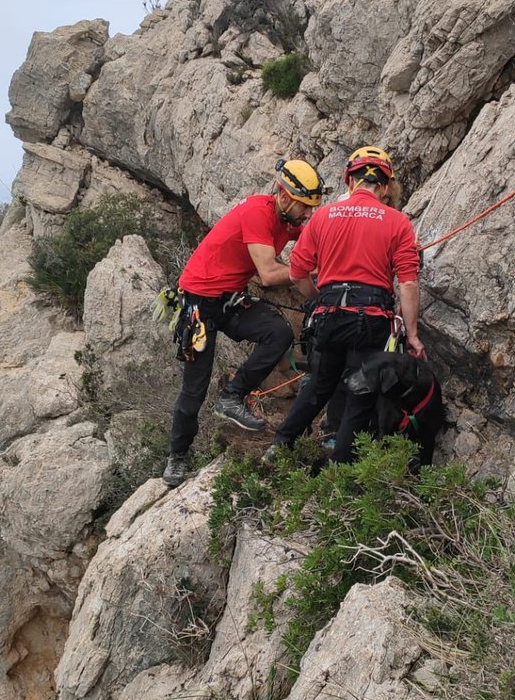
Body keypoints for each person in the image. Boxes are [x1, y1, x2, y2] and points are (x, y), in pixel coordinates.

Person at [161, 158, 325, 487]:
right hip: (199, 303)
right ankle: (176, 458)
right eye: (304, 207)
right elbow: (267, 274)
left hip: (227, 299)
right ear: (285, 197)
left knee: (276, 332)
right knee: (194, 389)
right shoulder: (258, 213)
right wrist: (314, 273)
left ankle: (232, 396)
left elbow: (312, 234)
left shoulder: (286, 220)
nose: (307, 214)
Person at [264, 145, 424, 465]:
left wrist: (318, 297)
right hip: (371, 318)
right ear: (385, 185)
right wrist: (413, 334)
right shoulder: (397, 222)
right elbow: (407, 282)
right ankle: (339, 468)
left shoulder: (322, 217)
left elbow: (297, 272)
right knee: (360, 394)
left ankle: (280, 445)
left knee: (319, 385)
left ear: (350, 180)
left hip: (329, 314)